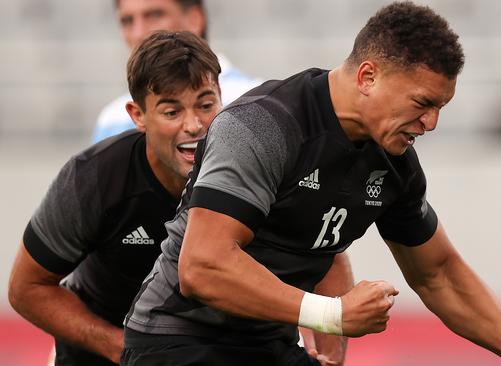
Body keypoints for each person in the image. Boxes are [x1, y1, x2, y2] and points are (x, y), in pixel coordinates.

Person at [121, 2, 501, 366]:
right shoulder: (263, 125)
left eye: (441, 107)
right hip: (175, 340)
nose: (432, 122)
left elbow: (438, 273)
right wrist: (333, 315)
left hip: (265, 341)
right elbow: (203, 266)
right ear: (368, 77)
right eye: (423, 103)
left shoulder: (395, 163)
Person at [8, 31, 349, 366]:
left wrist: (332, 354)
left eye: (205, 104)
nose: (194, 125)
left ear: (222, 98)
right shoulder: (92, 179)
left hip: (226, 351)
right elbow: (27, 288)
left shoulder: (262, 163)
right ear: (137, 115)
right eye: (172, 112)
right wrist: (120, 348)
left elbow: (328, 256)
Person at [92, 0, 261, 143]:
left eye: (155, 15)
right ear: (136, 115)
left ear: (194, 19)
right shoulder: (112, 120)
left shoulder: (256, 100)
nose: (138, 33)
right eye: (127, 21)